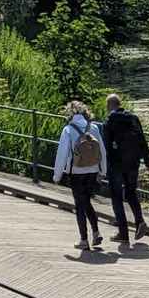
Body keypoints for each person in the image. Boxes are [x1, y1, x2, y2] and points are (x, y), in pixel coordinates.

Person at [98, 93, 149, 244]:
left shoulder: (109, 121)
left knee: (117, 197)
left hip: (116, 165)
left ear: (108, 106)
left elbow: (106, 147)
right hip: (133, 163)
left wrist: (102, 169)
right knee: (131, 193)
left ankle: (123, 233)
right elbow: (142, 142)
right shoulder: (133, 119)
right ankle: (140, 221)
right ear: (120, 104)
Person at [52, 101, 106, 250]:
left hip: (76, 172)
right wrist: (102, 171)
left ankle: (84, 240)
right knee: (87, 201)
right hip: (92, 170)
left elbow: (62, 154)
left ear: (70, 114)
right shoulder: (93, 128)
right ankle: (96, 232)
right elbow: (102, 150)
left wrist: (57, 176)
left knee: (80, 205)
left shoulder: (68, 130)